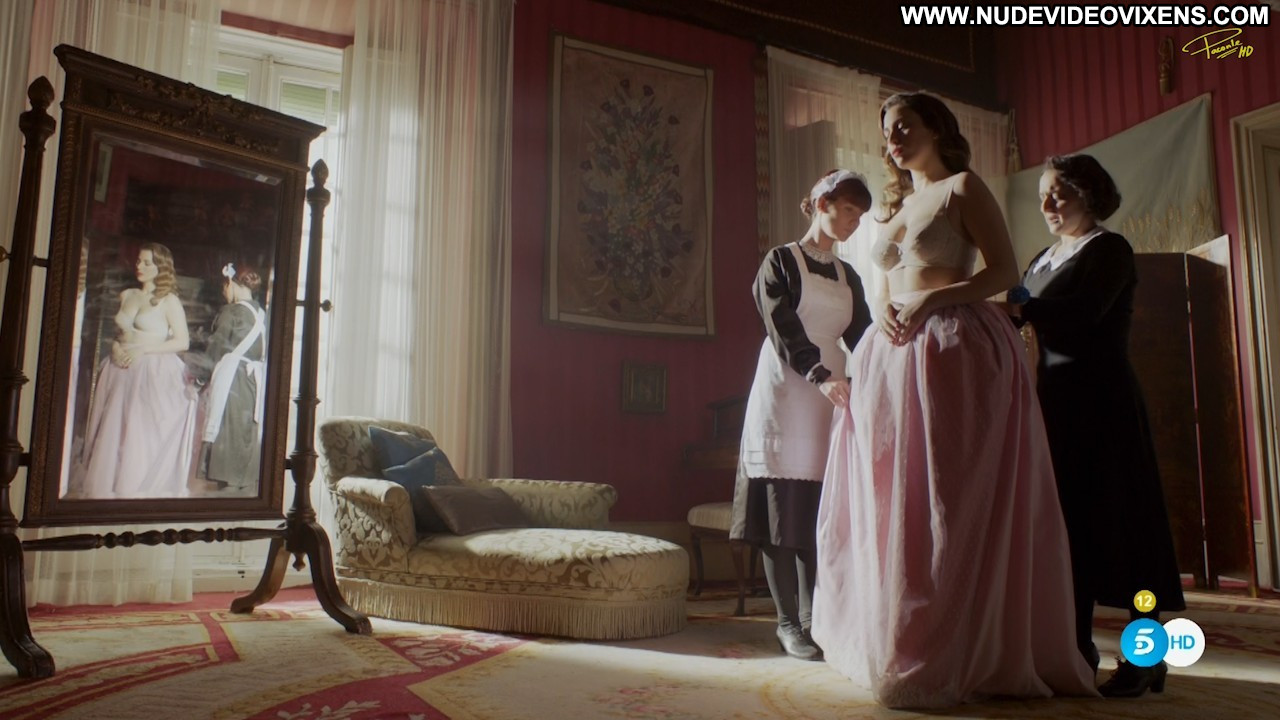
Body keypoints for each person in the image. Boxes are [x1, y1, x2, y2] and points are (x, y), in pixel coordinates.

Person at [810, 93, 1097, 707]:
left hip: (951, 347)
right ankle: (897, 634)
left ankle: (952, 645)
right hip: (890, 356)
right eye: (887, 130)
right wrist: (883, 304)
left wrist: (928, 301)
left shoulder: (962, 188)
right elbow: (884, 279)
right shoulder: (896, 208)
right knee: (895, 494)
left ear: (937, 128)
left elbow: (1004, 272)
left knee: (947, 494)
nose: (893, 139)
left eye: (905, 126)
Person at [1001, 154, 1186, 698]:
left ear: (1089, 194)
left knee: (1131, 535)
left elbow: (1084, 313)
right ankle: (1076, 649)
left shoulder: (1110, 249)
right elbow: (1018, 308)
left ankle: (1147, 656)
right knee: (1069, 533)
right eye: (1042, 194)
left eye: (1058, 193)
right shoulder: (1041, 258)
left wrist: (1020, 308)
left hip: (1106, 408)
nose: (1046, 204)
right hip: (1054, 408)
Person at [729, 169, 873, 660]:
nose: (854, 222)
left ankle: (816, 620)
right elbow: (782, 325)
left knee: (817, 510)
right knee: (781, 512)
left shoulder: (849, 275)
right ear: (822, 204)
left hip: (831, 398)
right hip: (788, 389)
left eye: (860, 216)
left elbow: (863, 336)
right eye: (849, 210)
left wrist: (881, 372)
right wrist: (818, 373)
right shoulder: (781, 261)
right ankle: (788, 622)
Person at [73, 242, 197, 499]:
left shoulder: (168, 301)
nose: (140, 266)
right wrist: (116, 347)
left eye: (147, 263)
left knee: (140, 431)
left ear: (161, 268)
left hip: (151, 370)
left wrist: (144, 350)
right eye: (139, 261)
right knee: (114, 429)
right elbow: (118, 333)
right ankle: (110, 486)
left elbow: (182, 341)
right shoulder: (127, 295)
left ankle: (134, 487)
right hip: (120, 368)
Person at [197, 262, 267, 494]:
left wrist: (200, 377)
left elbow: (216, 347)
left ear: (232, 284)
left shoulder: (232, 312)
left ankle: (227, 481)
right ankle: (242, 479)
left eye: (224, 287)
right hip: (254, 380)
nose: (224, 293)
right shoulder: (263, 314)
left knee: (229, 425)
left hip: (233, 378)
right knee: (245, 426)